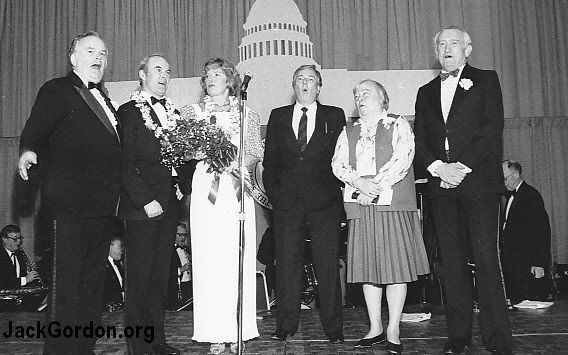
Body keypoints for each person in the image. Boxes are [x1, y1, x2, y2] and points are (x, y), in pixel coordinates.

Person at [17, 31, 121, 354]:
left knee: (91, 289)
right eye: (91, 51)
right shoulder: (57, 90)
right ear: (73, 58)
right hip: (69, 207)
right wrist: (28, 151)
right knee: (66, 290)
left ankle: (83, 348)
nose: (98, 58)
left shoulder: (106, 100)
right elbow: (35, 128)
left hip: (103, 210)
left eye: (103, 53)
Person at [414, 26, 512, 354]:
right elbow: (422, 140)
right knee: (451, 264)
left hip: (478, 184)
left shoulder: (486, 80)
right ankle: (458, 336)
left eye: (454, 42)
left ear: (468, 49)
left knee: (486, 260)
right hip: (441, 187)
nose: (446, 48)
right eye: (441, 43)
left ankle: (498, 339)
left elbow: (491, 130)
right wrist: (439, 169)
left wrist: (460, 167)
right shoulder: (425, 91)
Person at [332, 80, 430, 353]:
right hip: (361, 205)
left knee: (395, 267)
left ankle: (393, 329)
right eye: (356, 94)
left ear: (383, 98)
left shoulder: (398, 124)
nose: (359, 97)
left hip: (392, 206)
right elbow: (338, 163)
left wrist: (373, 187)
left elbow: (403, 159)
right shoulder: (347, 131)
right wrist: (359, 184)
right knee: (368, 270)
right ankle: (375, 327)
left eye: (366, 93)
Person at [180, 58, 262, 354]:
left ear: (230, 80)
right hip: (207, 189)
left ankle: (238, 329)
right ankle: (214, 331)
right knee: (209, 259)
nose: (210, 78)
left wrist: (234, 162)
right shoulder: (193, 112)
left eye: (217, 74)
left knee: (235, 258)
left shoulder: (246, 113)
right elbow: (185, 148)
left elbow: (255, 151)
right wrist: (209, 152)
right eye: (207, 75)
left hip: (236, 187)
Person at [263, 64, 346, 343]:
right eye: (300, 79)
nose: (305, 83)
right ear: (294, 85)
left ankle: (333, 327)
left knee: (327, 265)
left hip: (325, 203)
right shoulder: (278, 116)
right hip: (287, 204)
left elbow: (341, 159)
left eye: (311, 79)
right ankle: (285, 325)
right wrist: (276, 196)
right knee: (286, 265)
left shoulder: (334, 116)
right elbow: (270, 162)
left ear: (319, 87)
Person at [119, 54, 191, 355]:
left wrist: (184, 186)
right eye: (157, 70)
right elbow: (122, 163)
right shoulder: (128, 112)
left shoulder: (175, 113)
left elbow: (182, 160)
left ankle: (157, 343)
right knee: (139, 280)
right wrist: (145, 200)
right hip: (142, 209)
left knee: (160, 277)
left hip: (169, 206)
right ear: (142, 75)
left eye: (168, 71)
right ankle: (138, 347)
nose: (164, 75)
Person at [501, 160, 552, 305]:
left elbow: (541, 231)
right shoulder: (510, 196)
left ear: (516, 174)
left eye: (505, 178)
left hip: (527, 265)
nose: (504, 183)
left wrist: (539, 263)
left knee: (529, 307)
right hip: (514, 264)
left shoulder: (531, 195)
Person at [167, 223, 192, 310]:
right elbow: (165, 273)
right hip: (177, 288)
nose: (183, 238)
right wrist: (181, 269)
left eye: (185, 235)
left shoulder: (187, 249)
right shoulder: (167, 251)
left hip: (188, 286)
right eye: (180, 235)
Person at [103, 235, 125, 310]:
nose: (122, 251)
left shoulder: (118, 264)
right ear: (110, 247)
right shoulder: (102, 266)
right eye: (119, 247)